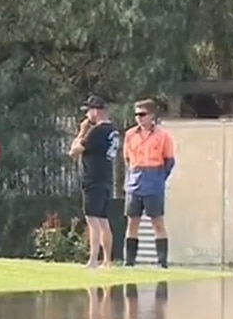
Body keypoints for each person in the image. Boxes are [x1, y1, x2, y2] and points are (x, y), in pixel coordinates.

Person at [122, 98, 175, 268]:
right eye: (136, 114)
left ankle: (162, 261)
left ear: (152, 115)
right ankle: (129, 261)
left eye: (143, 114)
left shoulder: (163, 136)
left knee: (157, 222)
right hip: (135, 180)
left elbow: (169, 161)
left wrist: (158, 178)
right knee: (132, 222)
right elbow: (127, 158)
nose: (139, 118)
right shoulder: (130, 135)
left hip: (153, 180)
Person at [69, 94, 120, 268]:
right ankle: (107, 260)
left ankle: (93, 260)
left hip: (93, 179)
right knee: (103, 220)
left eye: (89, 111)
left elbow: (74, 151)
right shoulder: (113, 130)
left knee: (93, 220)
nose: (87, 116)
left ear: (95, 111)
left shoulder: (96, 131)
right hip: (106, 178)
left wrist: (82, 131)